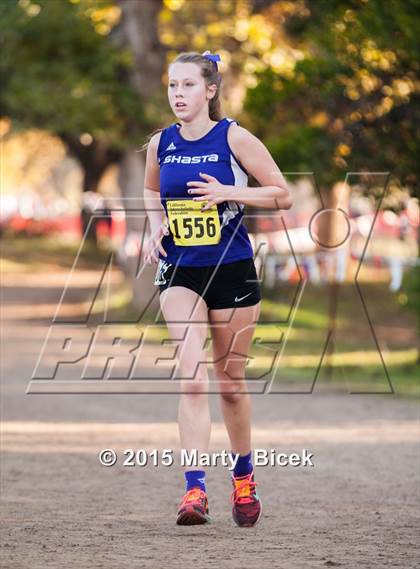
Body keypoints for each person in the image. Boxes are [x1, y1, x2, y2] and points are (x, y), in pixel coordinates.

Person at [142, 50, 292, 527]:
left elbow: (281, 193)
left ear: (209, 90)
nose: (178, 95)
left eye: (187, 85)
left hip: (232, 267)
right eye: (172, 86)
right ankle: (194, 491)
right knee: (192, 377)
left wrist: (231, 192)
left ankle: (244, 477)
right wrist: (155, 226)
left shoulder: (234, 137)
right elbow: (150, 192)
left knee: (230, 385)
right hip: (181, 267)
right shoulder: (160, 143)